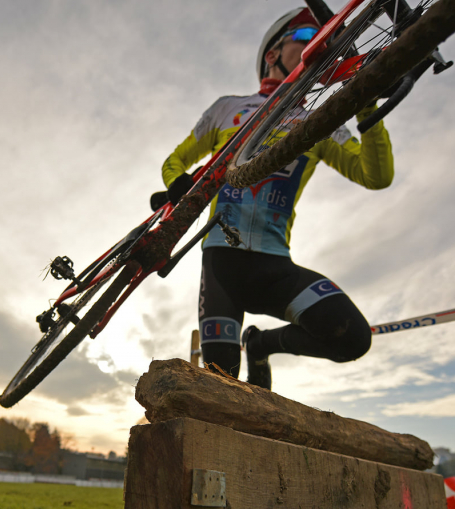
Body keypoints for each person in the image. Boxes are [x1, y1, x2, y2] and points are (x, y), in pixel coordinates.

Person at [157, 7, 393, 390]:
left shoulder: (319, 118)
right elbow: (175, 161)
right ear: (271, 55)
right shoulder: (228, 108)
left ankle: (262, 344)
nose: (316, 47)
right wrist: (176, 182)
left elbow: (376, 176)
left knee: (352, 338)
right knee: (222, 384)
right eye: (303, 38)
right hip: (223, 264)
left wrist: (365, 100)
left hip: (275, 266)